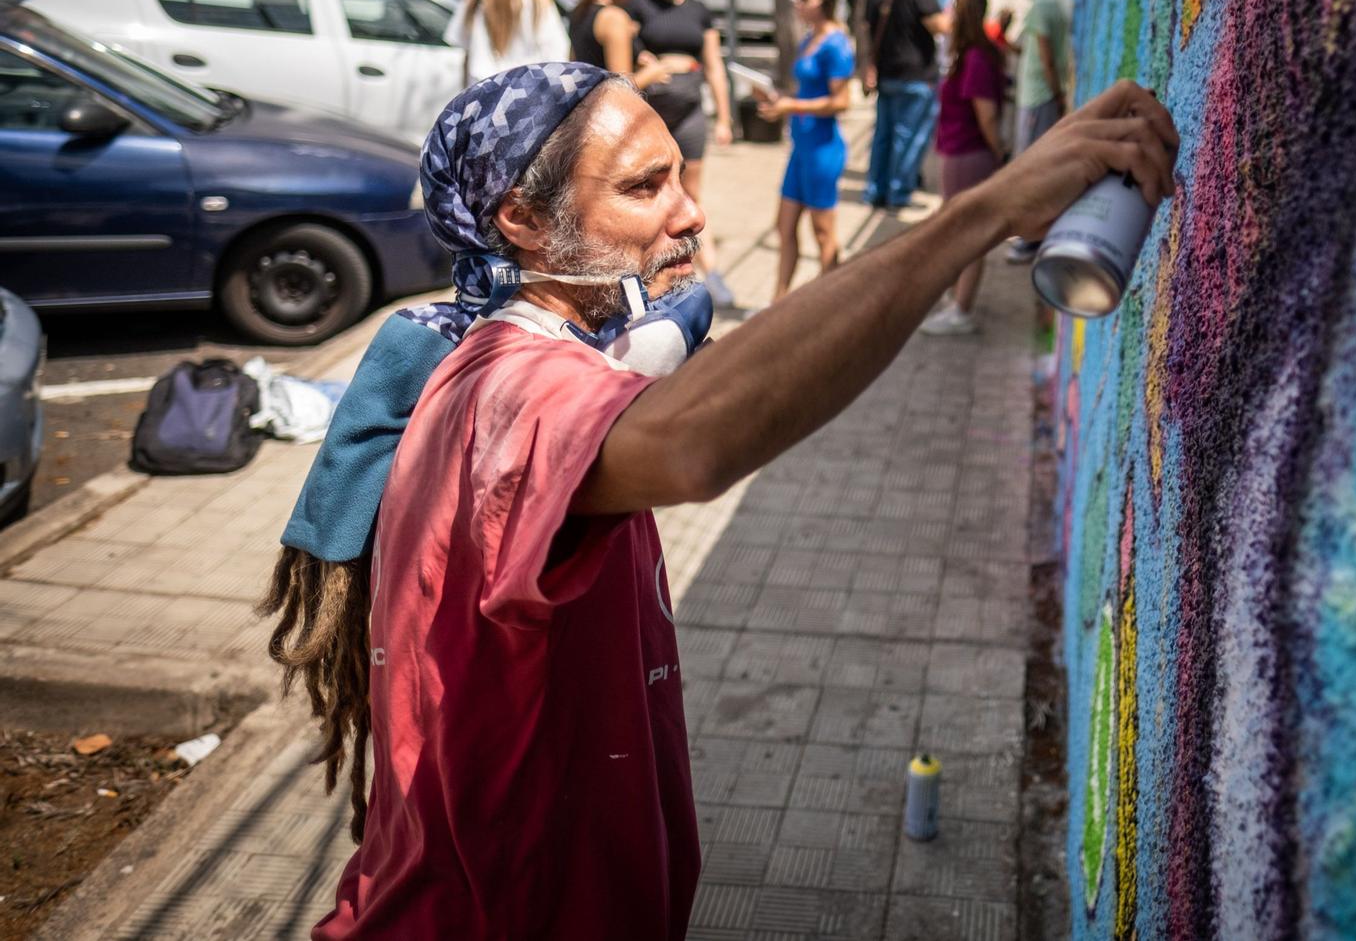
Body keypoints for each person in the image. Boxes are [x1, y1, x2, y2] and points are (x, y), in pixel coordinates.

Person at [260, 61, 1178, 939]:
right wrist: (979, 215)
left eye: (683, 177)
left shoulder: (547, 366)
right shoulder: (508, 387)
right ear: (521, 220)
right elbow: (695, 445)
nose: (692, 213)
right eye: (645, 187)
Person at [625, 0, 739, 306]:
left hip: (690, 116)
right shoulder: (638, 5)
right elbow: (623, 52)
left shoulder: (700, 11)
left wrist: (724, 116)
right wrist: (648, 61)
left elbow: (714, 66)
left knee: (690, 198)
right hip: (649, 119)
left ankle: (709, 273)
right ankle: (650, 277)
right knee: (647, 199)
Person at [755, 0, 855, 302]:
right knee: (784, 228)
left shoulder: (836, 44)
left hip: (823, 150)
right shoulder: (809, 37)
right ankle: (778, 304)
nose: (797, 4)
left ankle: (831, 305)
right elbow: (805, 91)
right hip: (801, 149)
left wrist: (791, 105)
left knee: (824, 233)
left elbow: (841, 101)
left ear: (824, 2)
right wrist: (777, 98)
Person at [920, 0, 1010, 335]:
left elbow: (985, 115)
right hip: (962, 152)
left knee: (966, 234)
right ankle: (957, 300)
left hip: (969, 154)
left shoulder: (976, 57)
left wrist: (999, 152)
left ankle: (961, 309)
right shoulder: (974, 53)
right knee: (959, 230)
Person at [860, 0, 951, 209]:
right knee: (908, 137)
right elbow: (940, 26)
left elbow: (867, 30)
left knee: (883, 136)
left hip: (886, 73)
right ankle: (898, 192)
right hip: (916, 75)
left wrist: (868, 66)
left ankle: (875, 190)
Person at [1006, 0, 1077, 262]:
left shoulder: (1042, 4)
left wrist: (1056, 93)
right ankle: (1033, 236)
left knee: (1031, 166)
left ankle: (1030, 239)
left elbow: (1045, 56)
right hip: (1046, 92)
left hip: (1038, 94)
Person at [568, 0, 675, 96]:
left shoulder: (579, 10)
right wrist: (652, 73)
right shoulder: (614, 18)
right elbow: (619, 89)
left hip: (583, 106)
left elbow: (574, 66)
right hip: (606, 112)